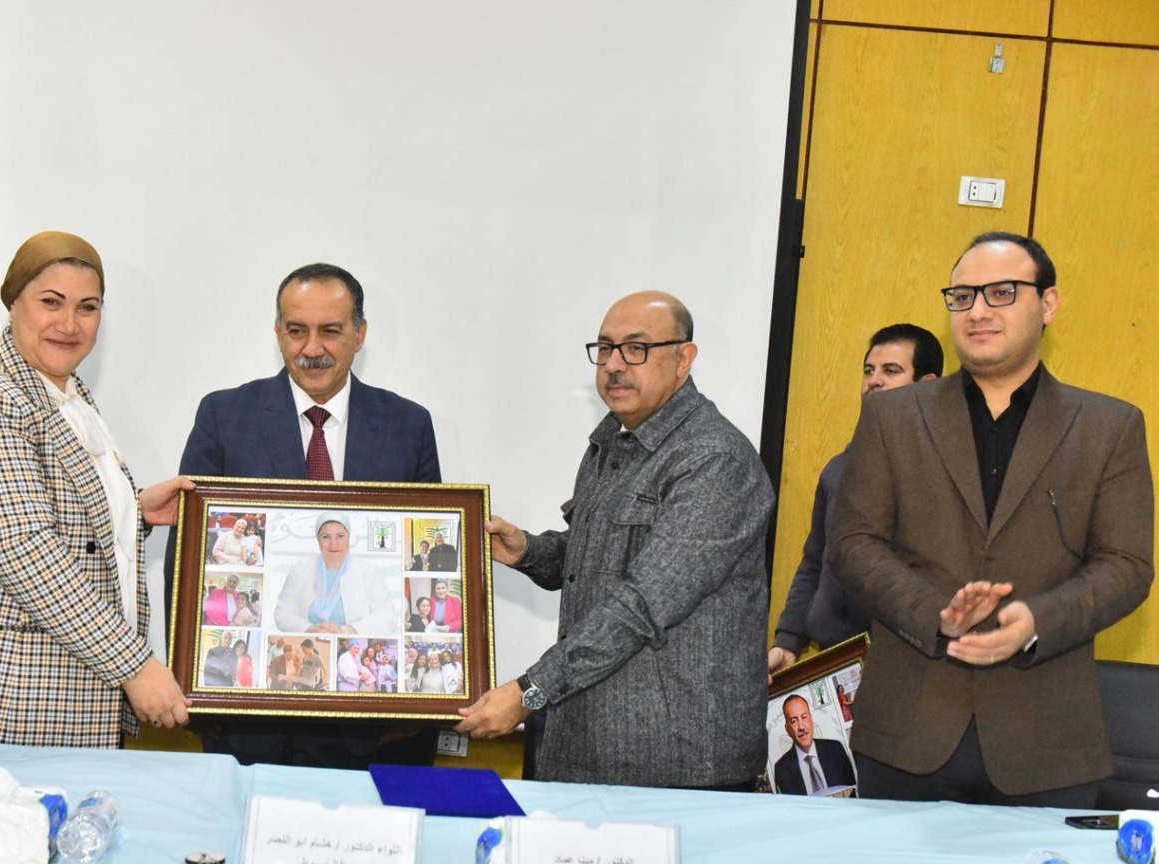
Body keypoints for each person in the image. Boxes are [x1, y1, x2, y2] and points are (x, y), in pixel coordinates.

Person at [830, 232, 1154, 804]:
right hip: (907, 733)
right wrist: (936, 614)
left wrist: (1037, 620)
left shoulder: (1110, 426)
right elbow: (853, 543)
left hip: (1048, 742)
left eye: (1001, 292)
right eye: (963, 296)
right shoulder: (891, 417)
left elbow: (1127, 565)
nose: (977, 311)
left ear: (1048, 304)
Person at [458, 291, 773, 789]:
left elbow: (644, 602)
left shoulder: (713, 460)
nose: (614, 365)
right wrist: (529, 552)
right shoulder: (612, 442)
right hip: (589, 745)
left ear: (684, 358)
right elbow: (604, 560)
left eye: (636, 348)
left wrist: (530, 691)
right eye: (605, 348)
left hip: (674, 763)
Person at [0, 231, 192, 746]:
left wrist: (134, 512)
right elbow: (28, 553)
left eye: (87, 307)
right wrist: (136, 667)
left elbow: (50, 509)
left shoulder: (61, 389)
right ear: (14, 301)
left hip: (50, 699)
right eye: (51, 302)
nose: (69, 324)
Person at [174, 263, 442, 769]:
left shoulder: (408, 425)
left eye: (331, 331)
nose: (312, 348)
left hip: (375, 730)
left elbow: (420, 562)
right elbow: (187, 558)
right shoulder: (224, 416)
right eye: (297, 330)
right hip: (248, 724)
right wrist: (193, 679)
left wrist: (417, 704)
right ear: (278, 332)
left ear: (360, 334)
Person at [769, 324, 943, 674]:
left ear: (927, 385)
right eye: (868, 370)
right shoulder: (838, 469)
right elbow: (815, 563)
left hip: (907, 666)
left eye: (891, 370)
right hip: (832, 660)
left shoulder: (944, 473)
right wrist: (788, 642)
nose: (874, 381)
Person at [273, 513, 395, 634]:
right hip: (309, 641)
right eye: (326, 537)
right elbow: (282, 613)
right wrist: (310, 629)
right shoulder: (299, 569)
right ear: (318, 539)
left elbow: (388, 617)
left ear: (349, 537)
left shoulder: (369, 571)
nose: (333, 544)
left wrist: (350, 630)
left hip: (353, 642)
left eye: (340, 536)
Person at [771, 695, 856, 796]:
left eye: (804, 717)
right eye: (794, 721)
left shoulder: (836, 750)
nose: (801, 727)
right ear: (787, 729)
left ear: (811, 719)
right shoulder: (781, 769)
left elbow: (854, 793)